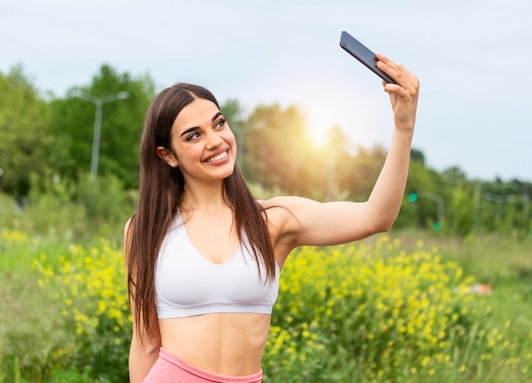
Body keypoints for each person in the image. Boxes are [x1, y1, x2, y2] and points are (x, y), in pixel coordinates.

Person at [125, 54, 419, 383]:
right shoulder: (146, 229)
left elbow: (375, 216)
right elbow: (145, 342)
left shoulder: (274, 221)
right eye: (193, 136)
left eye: (219, 123)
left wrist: (403, 127)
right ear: (167, 156)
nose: (215, 141)